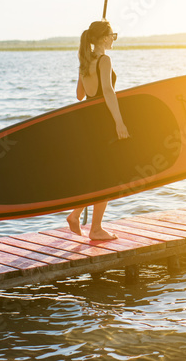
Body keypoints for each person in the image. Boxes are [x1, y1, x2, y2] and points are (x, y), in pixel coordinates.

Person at [67, 20, 130, 240]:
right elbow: (108, 92)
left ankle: (75, 215)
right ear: (104, 38)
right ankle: (95, 229)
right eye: (113, 35)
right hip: (104, 123)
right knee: (107, 179)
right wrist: (119, 122)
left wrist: (86, 72)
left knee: (98, 176)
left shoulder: (85, 61)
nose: (114, 39)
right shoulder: (104, 60)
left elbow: (79, 95)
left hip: (89, 125)